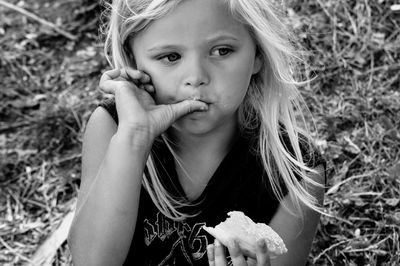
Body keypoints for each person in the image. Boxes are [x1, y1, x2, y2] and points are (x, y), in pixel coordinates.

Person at [67, 0, 326, 265]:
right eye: (170, 57)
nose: (196, 76)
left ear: (258, 54)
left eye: (222, 51)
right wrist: (134, 138)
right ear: (133, 60)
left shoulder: (296, 174)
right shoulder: (114, 129)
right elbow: (89, 261)